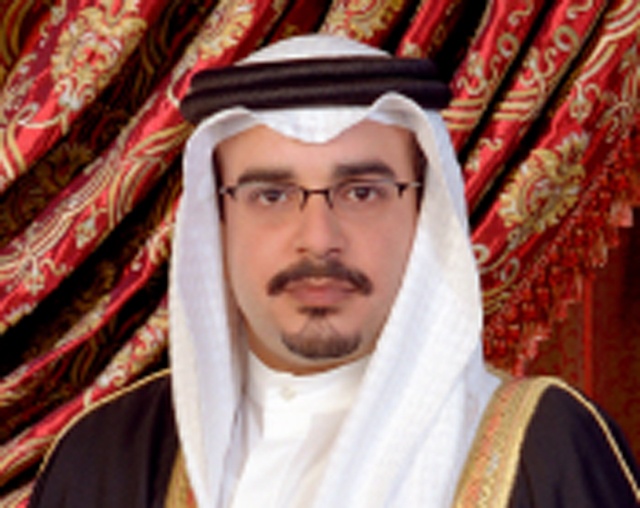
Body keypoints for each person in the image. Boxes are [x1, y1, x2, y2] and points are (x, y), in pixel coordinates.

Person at [29, 35, 639, 508]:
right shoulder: (106, 457)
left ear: (423, 214)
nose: (319, 239)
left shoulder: (543, 448)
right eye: (271, 196)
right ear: (217, 220)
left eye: (363, 192)